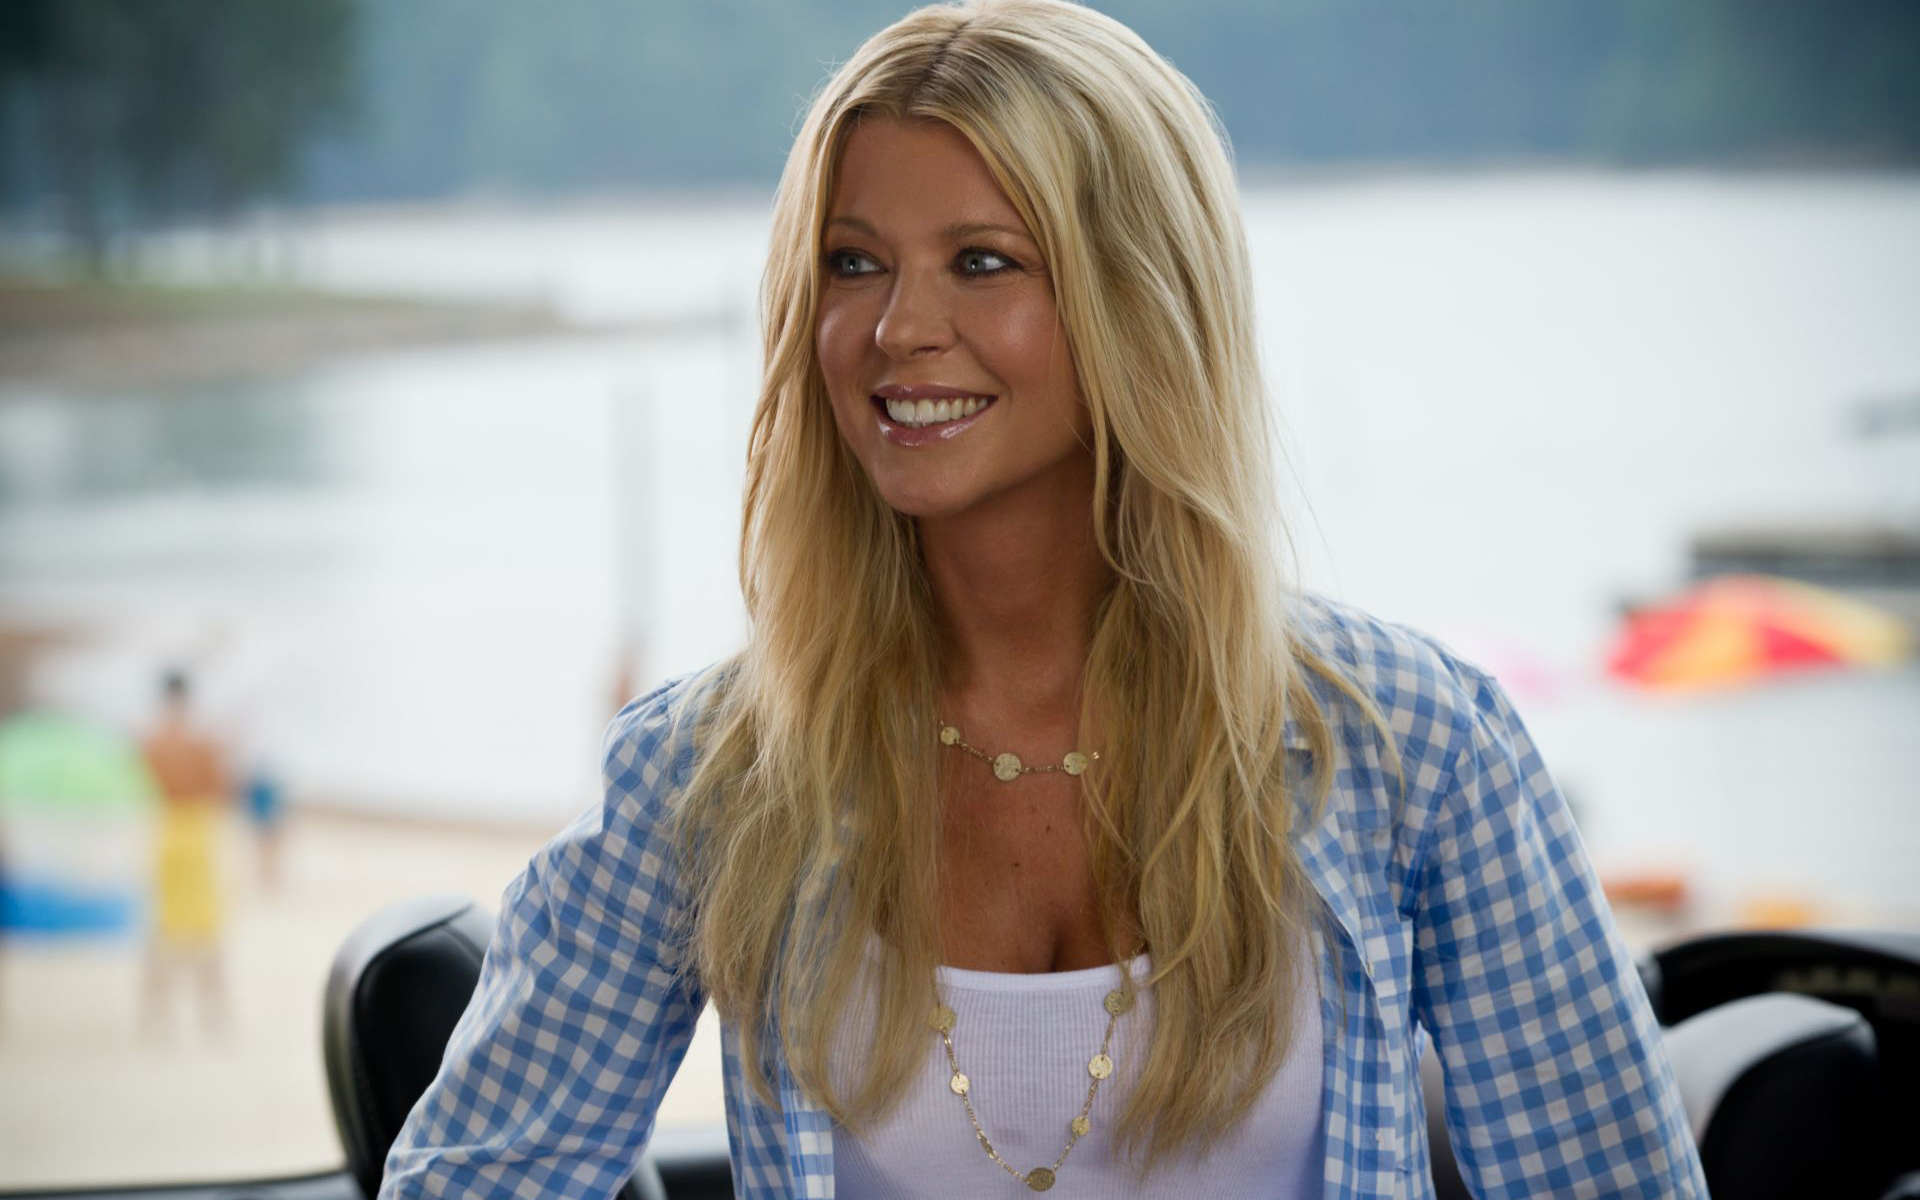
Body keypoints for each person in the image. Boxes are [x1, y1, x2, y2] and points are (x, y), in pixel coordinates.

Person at [382, 2, 1707, 1196]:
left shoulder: (1408, 745)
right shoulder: (716, 777)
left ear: (1138, 299)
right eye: (852, 263)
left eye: (982, 261)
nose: (898, 327)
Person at [139, 668, 233, 1039]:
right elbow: (220, 790)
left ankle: (155, 1012)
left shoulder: (151, 742)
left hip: (166, 829)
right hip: (194, 831)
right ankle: (213, 1013)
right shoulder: (201, 743)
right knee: (204, 930)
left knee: (164, 927)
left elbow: (141, 787)